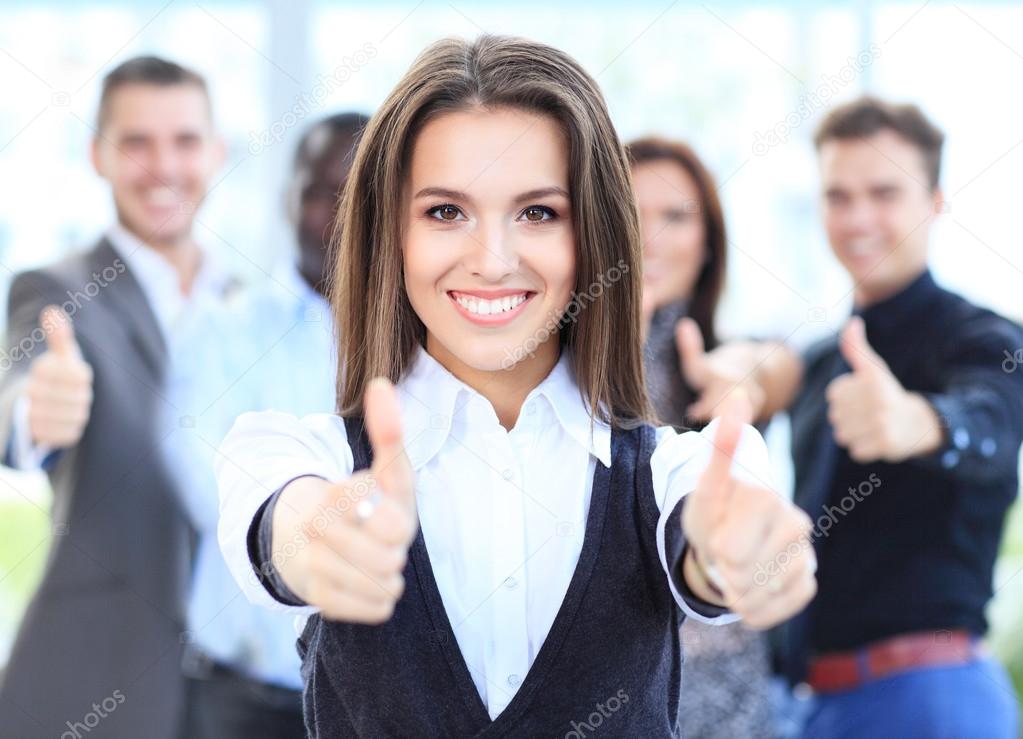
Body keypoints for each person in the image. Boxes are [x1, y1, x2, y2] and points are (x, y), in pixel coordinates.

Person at [215, 35, 816, 738]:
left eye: (538, 212)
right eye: (444, 211)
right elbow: (284, 527)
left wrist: (739, 554)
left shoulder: (674, 471)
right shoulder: (292, 453)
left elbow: (716, 538)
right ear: (391, 234)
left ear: (592, 235)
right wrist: (321, 540)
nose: (493, 260)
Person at [778, 96, 1023, 738]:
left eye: (884, 192)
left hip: (931, 703)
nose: (858, 218)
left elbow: (988, 422)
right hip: (815, 708)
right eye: (838, 196)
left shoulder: (987, 339)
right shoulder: (819, 362)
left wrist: (919, 423)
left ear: (936, 201)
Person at [0, 57, 229, 738]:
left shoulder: (251, 303)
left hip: (241, 696)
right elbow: (23, 378)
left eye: (184, 141)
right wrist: (33, 412)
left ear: (215, 153)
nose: (163, 166)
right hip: (96, 678)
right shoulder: (55, 288)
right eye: (136, 142)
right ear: (98, 155)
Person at [173, 112, 368, 739]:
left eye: (361, 194)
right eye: (320, 192)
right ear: (289, 201)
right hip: (244, 696)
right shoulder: (224, 332)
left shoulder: (431, 342)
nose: (339, 215)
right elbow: (212, 489)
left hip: (375, 699)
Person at [629, 136, 802, 739]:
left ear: (708, 243)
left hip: (728, 697)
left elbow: (777, 365)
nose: (649, 237)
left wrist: (747, 380)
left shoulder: (720, 358)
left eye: (676, 216)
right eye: (629, 211)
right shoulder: (552, 367)